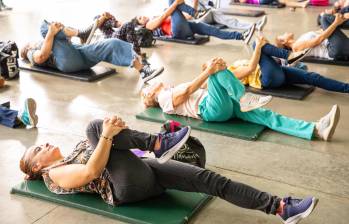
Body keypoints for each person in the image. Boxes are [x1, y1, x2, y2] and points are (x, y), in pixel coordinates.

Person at [19, 115, 319, 224]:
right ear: (36, 166)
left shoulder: (72, 152)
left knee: (209, 179)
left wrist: (119, 136)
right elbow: (90, 173)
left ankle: (280, 207)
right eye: (37, 150)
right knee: (95, 127)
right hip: (123, 188)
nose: (43, 144)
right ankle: (159, 142)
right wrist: (108, 136)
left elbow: (111, 153)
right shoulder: (53, 175)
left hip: (141, 169)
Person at [141, 38, 341, 141]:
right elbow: (185, 94)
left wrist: (217, 68)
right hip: (210, 110)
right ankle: (243, 97)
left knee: (267, 115)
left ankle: (315, 130)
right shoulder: (163, 99)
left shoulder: (171, 89)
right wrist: (211, 71)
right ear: (150, 94)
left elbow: (201, 85)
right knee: (215, 71)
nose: (153, 84)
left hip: (220, 103)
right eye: (148, 87)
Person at [20, 20, 163, 83]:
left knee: (112, 43)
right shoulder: (30, 52)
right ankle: (80, 32)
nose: (32, 41)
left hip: (79, 53)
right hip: (67, 63)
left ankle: (143, 70)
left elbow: (65, 44)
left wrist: (59, 33)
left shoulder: (51, 42)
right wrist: (50, 33)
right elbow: (41, 57)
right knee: (44, 27)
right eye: (29, 43)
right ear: (27, 48)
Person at [232, 36, 349, 93]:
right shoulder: (229, 73)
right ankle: (289, 56)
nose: (217, 59)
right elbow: (251, 68)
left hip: (277, 70)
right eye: (214, 61)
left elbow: (261, 57)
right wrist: (258, 46)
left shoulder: (233, 65)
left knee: (313, 77)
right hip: (267, 79)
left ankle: (347, 88)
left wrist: (263, 42)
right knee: (255, 44)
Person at [133, 0, 256, 44]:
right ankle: (195, 13)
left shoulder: (155, 16)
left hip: (185, 27)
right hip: (177, 32)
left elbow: (187, 18)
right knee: (172, 4)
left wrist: (194, 4)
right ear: (140, 25)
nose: (143, 16)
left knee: (213, 30)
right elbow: (166, 14)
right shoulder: (148, 26)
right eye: (140, 18)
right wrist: (176, 3)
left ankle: (241, 36)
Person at [276, 13, 349, 61]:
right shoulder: (295, 47)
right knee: (324, 18)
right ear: (284, 42)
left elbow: (323, 31)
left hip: (335, 46)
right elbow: (320, 39)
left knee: (323, 17)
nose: (285, 32)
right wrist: (335, 23)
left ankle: (346, 16)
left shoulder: (301, 37)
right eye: (283, 35)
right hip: (333, 50)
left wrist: (336, 18)